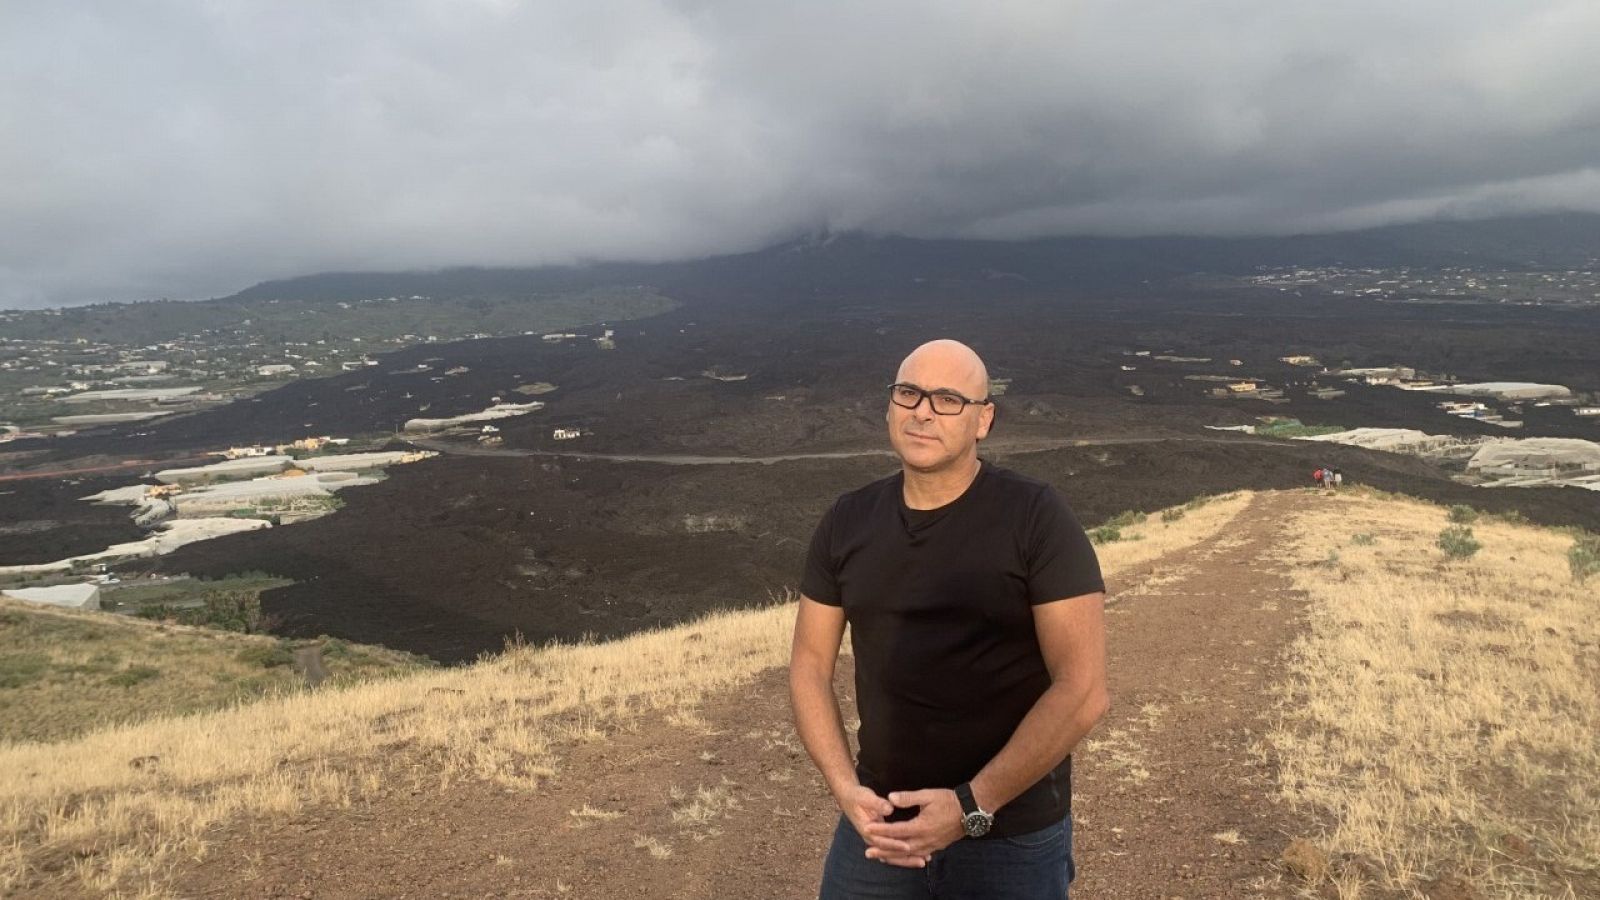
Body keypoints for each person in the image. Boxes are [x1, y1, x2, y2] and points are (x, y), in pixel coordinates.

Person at [790, 339, 1109, 899]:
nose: (923, 411)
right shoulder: (847, 520)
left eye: (947, 399)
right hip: (880, 829)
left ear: (984, 419)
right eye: (909, 393)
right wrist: (846, 790)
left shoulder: (1036, 517)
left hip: (1009, 836)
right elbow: (810, 665)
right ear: (889, 406)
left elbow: (1083, 691)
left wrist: (970, 806)